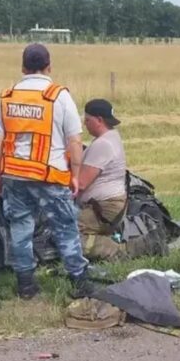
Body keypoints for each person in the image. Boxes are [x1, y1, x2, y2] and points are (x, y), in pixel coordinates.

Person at [0, 43, 95, 299]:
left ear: (23, 67)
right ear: (49, 66)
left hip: (14, 176)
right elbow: (74, 140)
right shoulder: (58, 96)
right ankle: (80, 282)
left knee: (21, 228)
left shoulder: (7, 97)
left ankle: (26, 284)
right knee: (65, 226)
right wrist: (75, 174)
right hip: (50, 176)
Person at [75, 99, 128, 260]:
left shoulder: (103, 144)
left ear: (99, 120)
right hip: (107, 205)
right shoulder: (111, 138)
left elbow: (81, 183)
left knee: (65, 233)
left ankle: (118, 250)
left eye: (88, 119)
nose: (85, 123)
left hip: (103, 207)